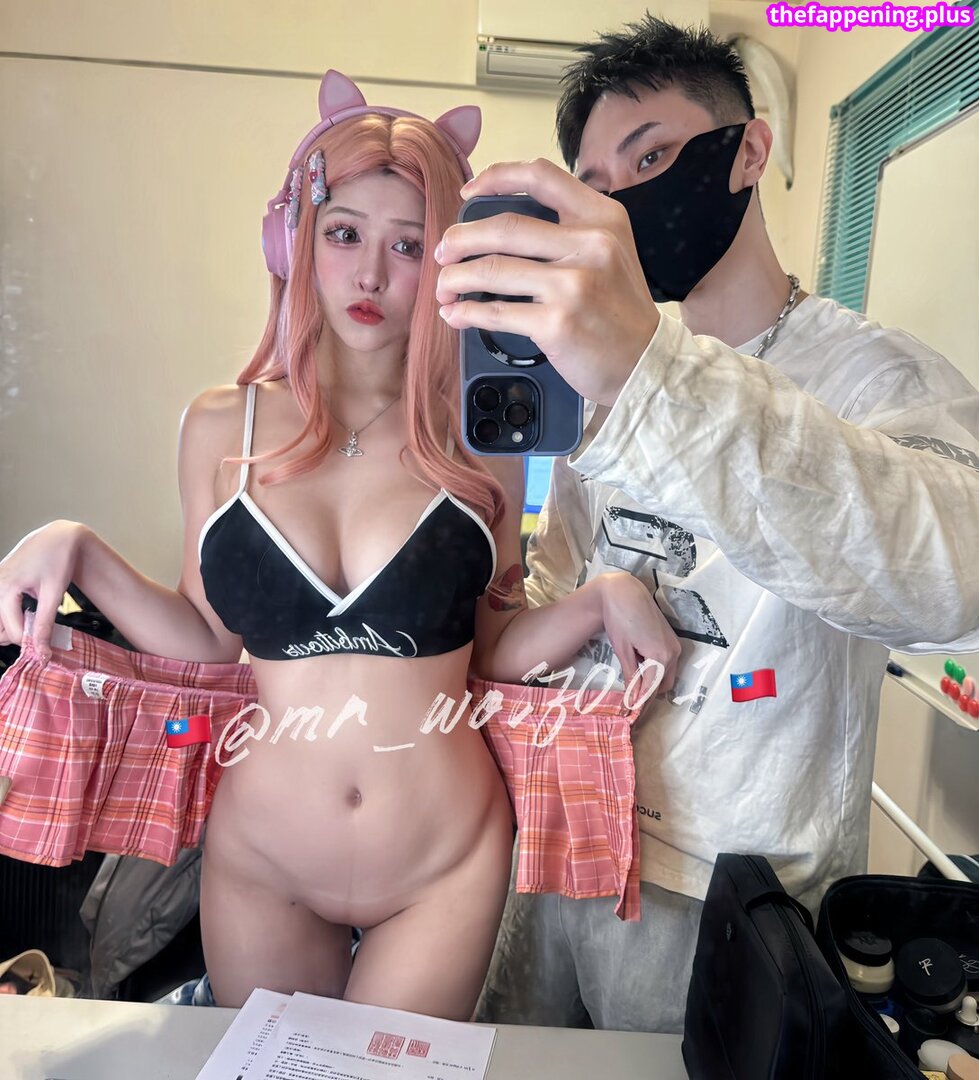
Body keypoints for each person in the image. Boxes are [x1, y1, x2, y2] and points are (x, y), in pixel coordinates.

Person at [0, 70, 679, 1016]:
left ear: (447, 264)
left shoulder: (481, 435)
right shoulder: (221, 427)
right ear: (294, 239)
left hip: (443, 862)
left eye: (407, 246)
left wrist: (600, 599)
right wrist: (78, 549)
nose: (370, 276)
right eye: (344, 233)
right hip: (261, 861)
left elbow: (489, 650)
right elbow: (207, 641)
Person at [434, 17, 979, 1032]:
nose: (625, 202)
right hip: (565, 830)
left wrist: (655, 374)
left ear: (749, 151)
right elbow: (559, 581)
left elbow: (954, 575)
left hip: (729, 883)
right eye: (599, 183)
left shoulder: (874, 376)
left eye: (650, 158)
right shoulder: (597, 376)